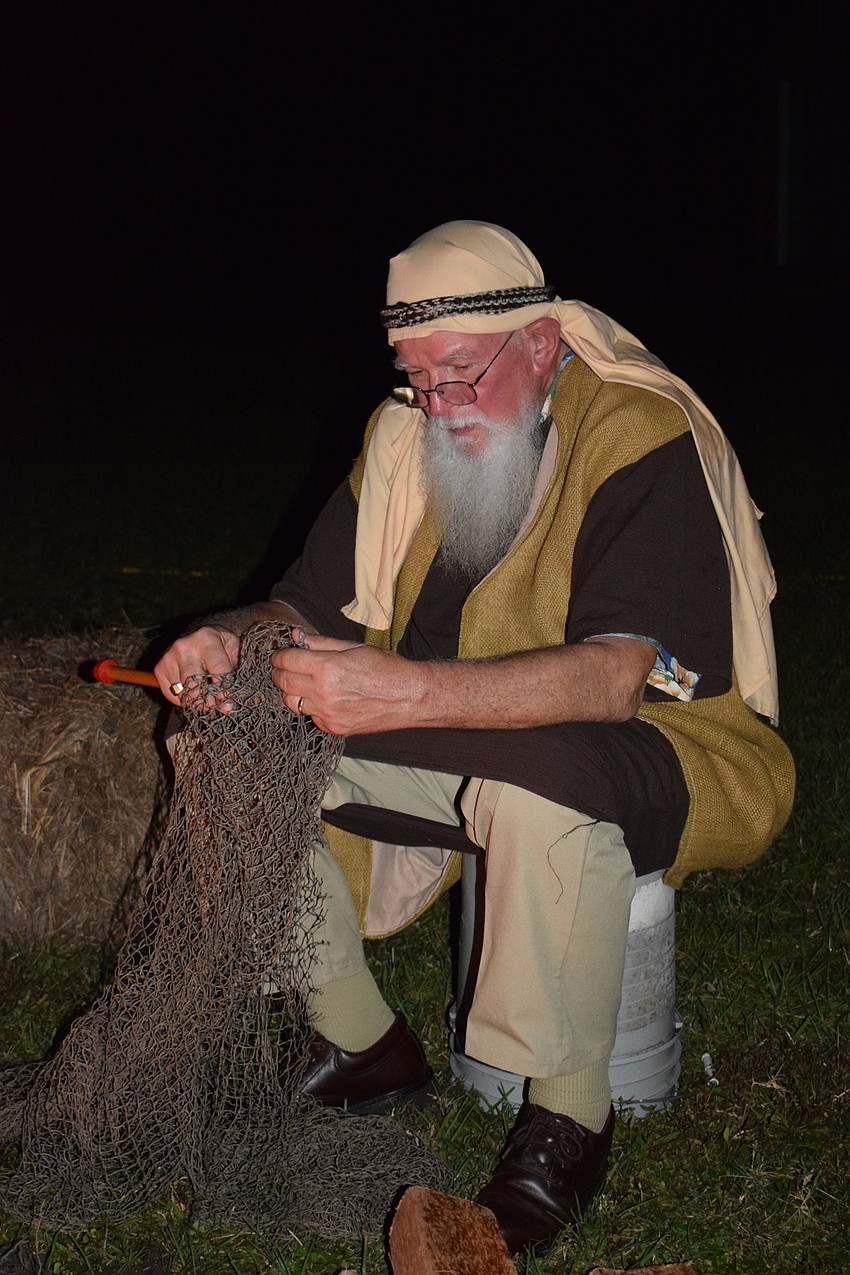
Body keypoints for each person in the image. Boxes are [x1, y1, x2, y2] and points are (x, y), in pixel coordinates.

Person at [155, 221, 795, 1255]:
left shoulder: (635, 433)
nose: (439, 408)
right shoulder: (402, 434)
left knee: (542, 780)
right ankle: (359, 1042)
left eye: (460, 375)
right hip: (448, 737)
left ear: (539, 343)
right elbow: (301, 608)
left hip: (657, 747)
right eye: (416, 378)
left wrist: (398, 693)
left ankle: (567, 1118)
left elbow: (614, 677)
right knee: (233, 745)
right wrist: (225, 643)